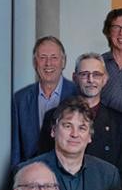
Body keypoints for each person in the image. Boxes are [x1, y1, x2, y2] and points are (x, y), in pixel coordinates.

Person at [42, 53, 122, 190]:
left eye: (97, 74)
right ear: (75, 78)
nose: (91, 80)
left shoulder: (120, 122)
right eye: (84, 74)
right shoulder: (53, 115)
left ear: (105, 79)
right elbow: (44, 163)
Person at [10, 36, 75, 168]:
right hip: (32, 179)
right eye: (43, 57)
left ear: (64, 62)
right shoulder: (20, 99)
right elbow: (15, 151)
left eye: (54, 58)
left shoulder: (77, 94)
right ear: (35, 62)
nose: (48, 63)